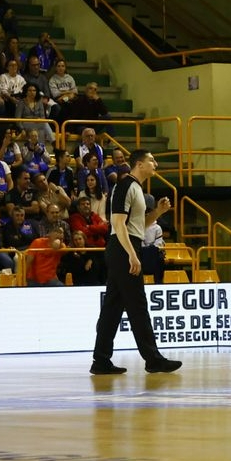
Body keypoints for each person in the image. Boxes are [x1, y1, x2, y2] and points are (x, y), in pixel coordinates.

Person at [90, 148, 182, 375]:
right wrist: (132, 254)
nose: (155, 164)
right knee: (138, 306)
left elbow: (138, 226)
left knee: (112, 308)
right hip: (123, 248)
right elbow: (118, 224)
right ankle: (153, 359)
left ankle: (100, 360)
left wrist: (158, 212)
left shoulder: (137, 189)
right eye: (152, 160)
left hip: (126, 245)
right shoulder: (125, 186)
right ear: (139, 164)